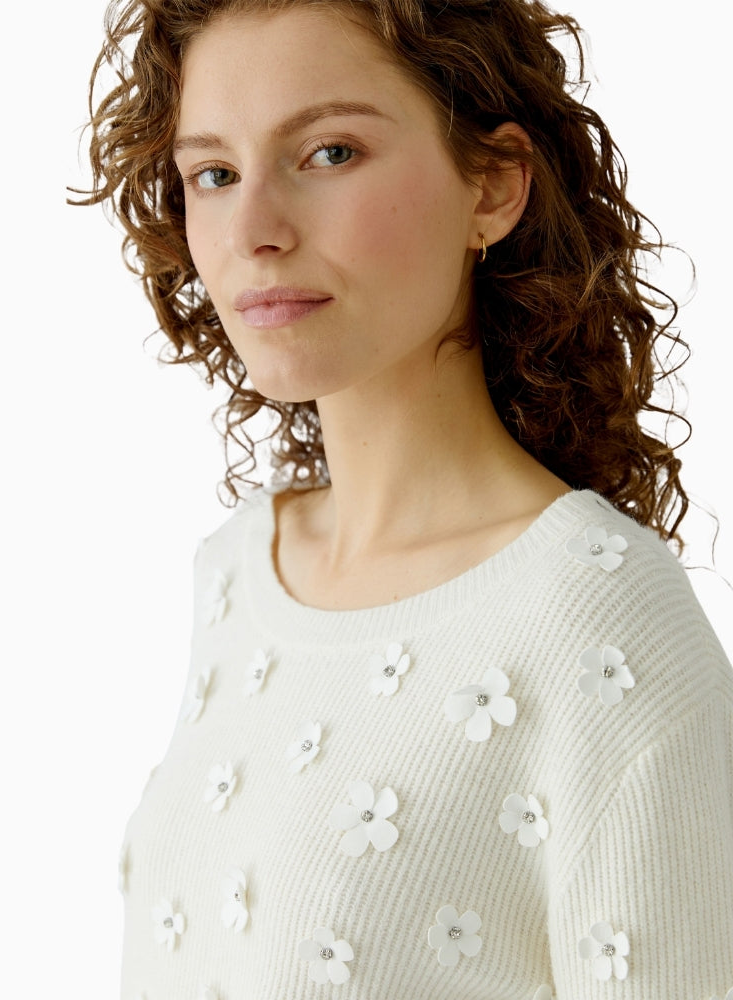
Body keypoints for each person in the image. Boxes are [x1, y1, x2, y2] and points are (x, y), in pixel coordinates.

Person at [73, 0, 733, 996]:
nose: (252, 231)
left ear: (493, 185)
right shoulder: (235, 574)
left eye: (329, 153)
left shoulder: (597, 619)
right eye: (214, 173)